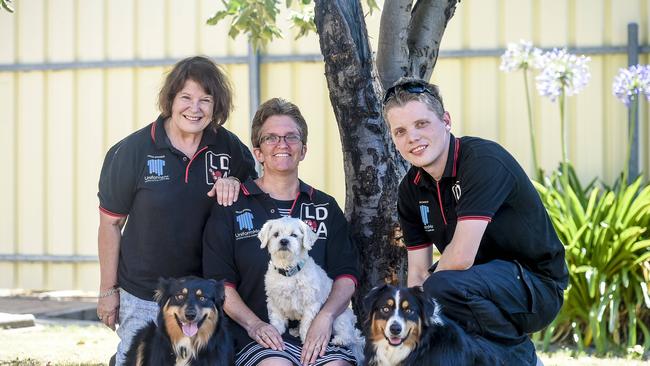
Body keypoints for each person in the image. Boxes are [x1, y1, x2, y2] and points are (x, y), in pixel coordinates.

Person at [383, 77, 568, 365]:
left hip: (536, 286)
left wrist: (422, 302)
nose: (412, 138)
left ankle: (521, 357)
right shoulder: (410, 189)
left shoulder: (482, 160)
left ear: (446, 120)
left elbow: (459, 258)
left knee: (440, 289)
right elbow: (418, 274)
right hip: (471, 288)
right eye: (401, 131)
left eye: (422, 124)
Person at [97, 55, 257, 365]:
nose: (194, 108)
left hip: (205, 295)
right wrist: (108, 291)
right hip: (144, 292)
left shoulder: (230, 150)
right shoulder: (132, 151)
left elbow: (256, 196)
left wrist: (236, 181)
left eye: (205, 100)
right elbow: (110, 224)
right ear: (170, 99)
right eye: (186, 97)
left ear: (216, 106)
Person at [203, 98, 360, 366]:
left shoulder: (324, 206)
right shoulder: (232, 204)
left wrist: (326, 318)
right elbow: (220, 283)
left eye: (291, 137)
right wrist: (254, 325)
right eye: (271, 138)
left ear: (303, 149)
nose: (282, 144)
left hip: (322, 332)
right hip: (257, 337)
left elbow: (346, 274)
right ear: (258, 152)